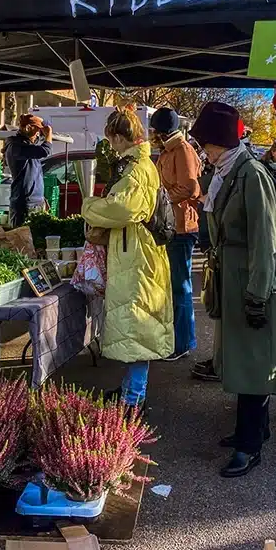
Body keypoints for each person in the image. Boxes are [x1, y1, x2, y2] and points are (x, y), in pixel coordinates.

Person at [188, 101, 276, 478]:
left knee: (253, 360)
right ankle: (254, 429)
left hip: (254, 275)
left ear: (218, 141)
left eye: (205, 142)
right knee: (243, 357)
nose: (202, 149)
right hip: (237, 274)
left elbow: (265, 239)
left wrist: (258, 294)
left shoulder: (251, 174)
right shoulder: (228, 170)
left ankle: (249, 445)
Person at [82, 108, 174, 407]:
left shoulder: (136, 168)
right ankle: (129, 392)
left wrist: (89, 206)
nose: (111, 145)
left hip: (137, 256)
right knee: (134, 327)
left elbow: (124, 210)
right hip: (137, 253)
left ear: (120, 137)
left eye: (112, 140)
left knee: (136, 328)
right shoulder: (139, 164)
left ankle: (134, 399)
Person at [150, 107, 203, 360]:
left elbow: (191, 188)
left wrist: (162, 200)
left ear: (161, 132)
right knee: (174, 286)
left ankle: (182, 343)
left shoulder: (181, 150)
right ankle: (178, 339)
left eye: (153, 131)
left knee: (181, 287)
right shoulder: (169, 150)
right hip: (173, 225)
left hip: (181, 227)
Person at [4, 114, 53, 227]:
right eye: (37, 130)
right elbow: (45, 151)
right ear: (27, 128)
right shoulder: (17, 147)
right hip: (25, 202)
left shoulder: (27, 145)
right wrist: (48, 134)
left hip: (35, 200)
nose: (38, 134)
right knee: (23, 238)